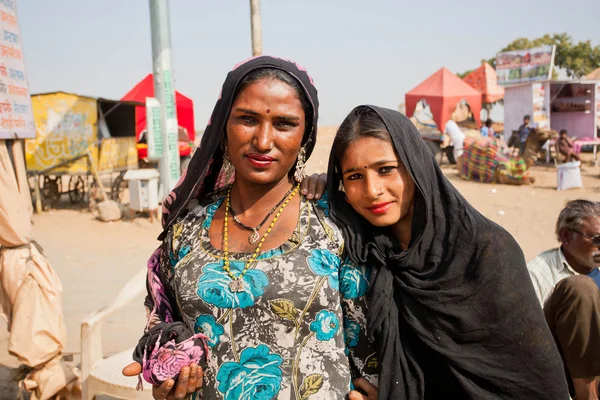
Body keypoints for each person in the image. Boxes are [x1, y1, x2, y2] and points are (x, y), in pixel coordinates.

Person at [122, 56, 378, 400]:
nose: (262, 140)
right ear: (222, 128)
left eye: (285, 123)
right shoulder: (185, 229)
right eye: (247, 119)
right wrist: (166, 373)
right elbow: (162, 323)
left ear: (306, 136)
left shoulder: (335, 224)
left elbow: (369, 348)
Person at [324, 105, 569, 399]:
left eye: (386, 169)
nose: (372, 190)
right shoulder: (367, 247)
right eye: (354, 177)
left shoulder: (486, 251)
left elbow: (532, 385)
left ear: (416, 164)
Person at [527, 200, 600, 400]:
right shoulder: (539, 273)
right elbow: (530, 344)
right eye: (597, 239)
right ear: (567, 236)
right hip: (562, 372)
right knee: (581, 288)